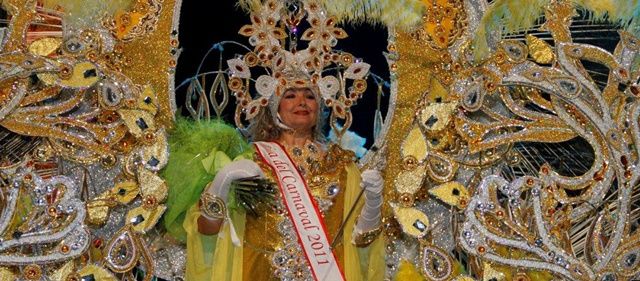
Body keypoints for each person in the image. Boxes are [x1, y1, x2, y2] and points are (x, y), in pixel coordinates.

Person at [181, 72, 385, 281]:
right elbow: (207, 231)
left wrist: (373, 203)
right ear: (274, 107)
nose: (302, 102)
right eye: (290, 95)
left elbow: (361, 243)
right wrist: (222, 181)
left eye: (310, 96)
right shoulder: (252, 160)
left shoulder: (341, 166)